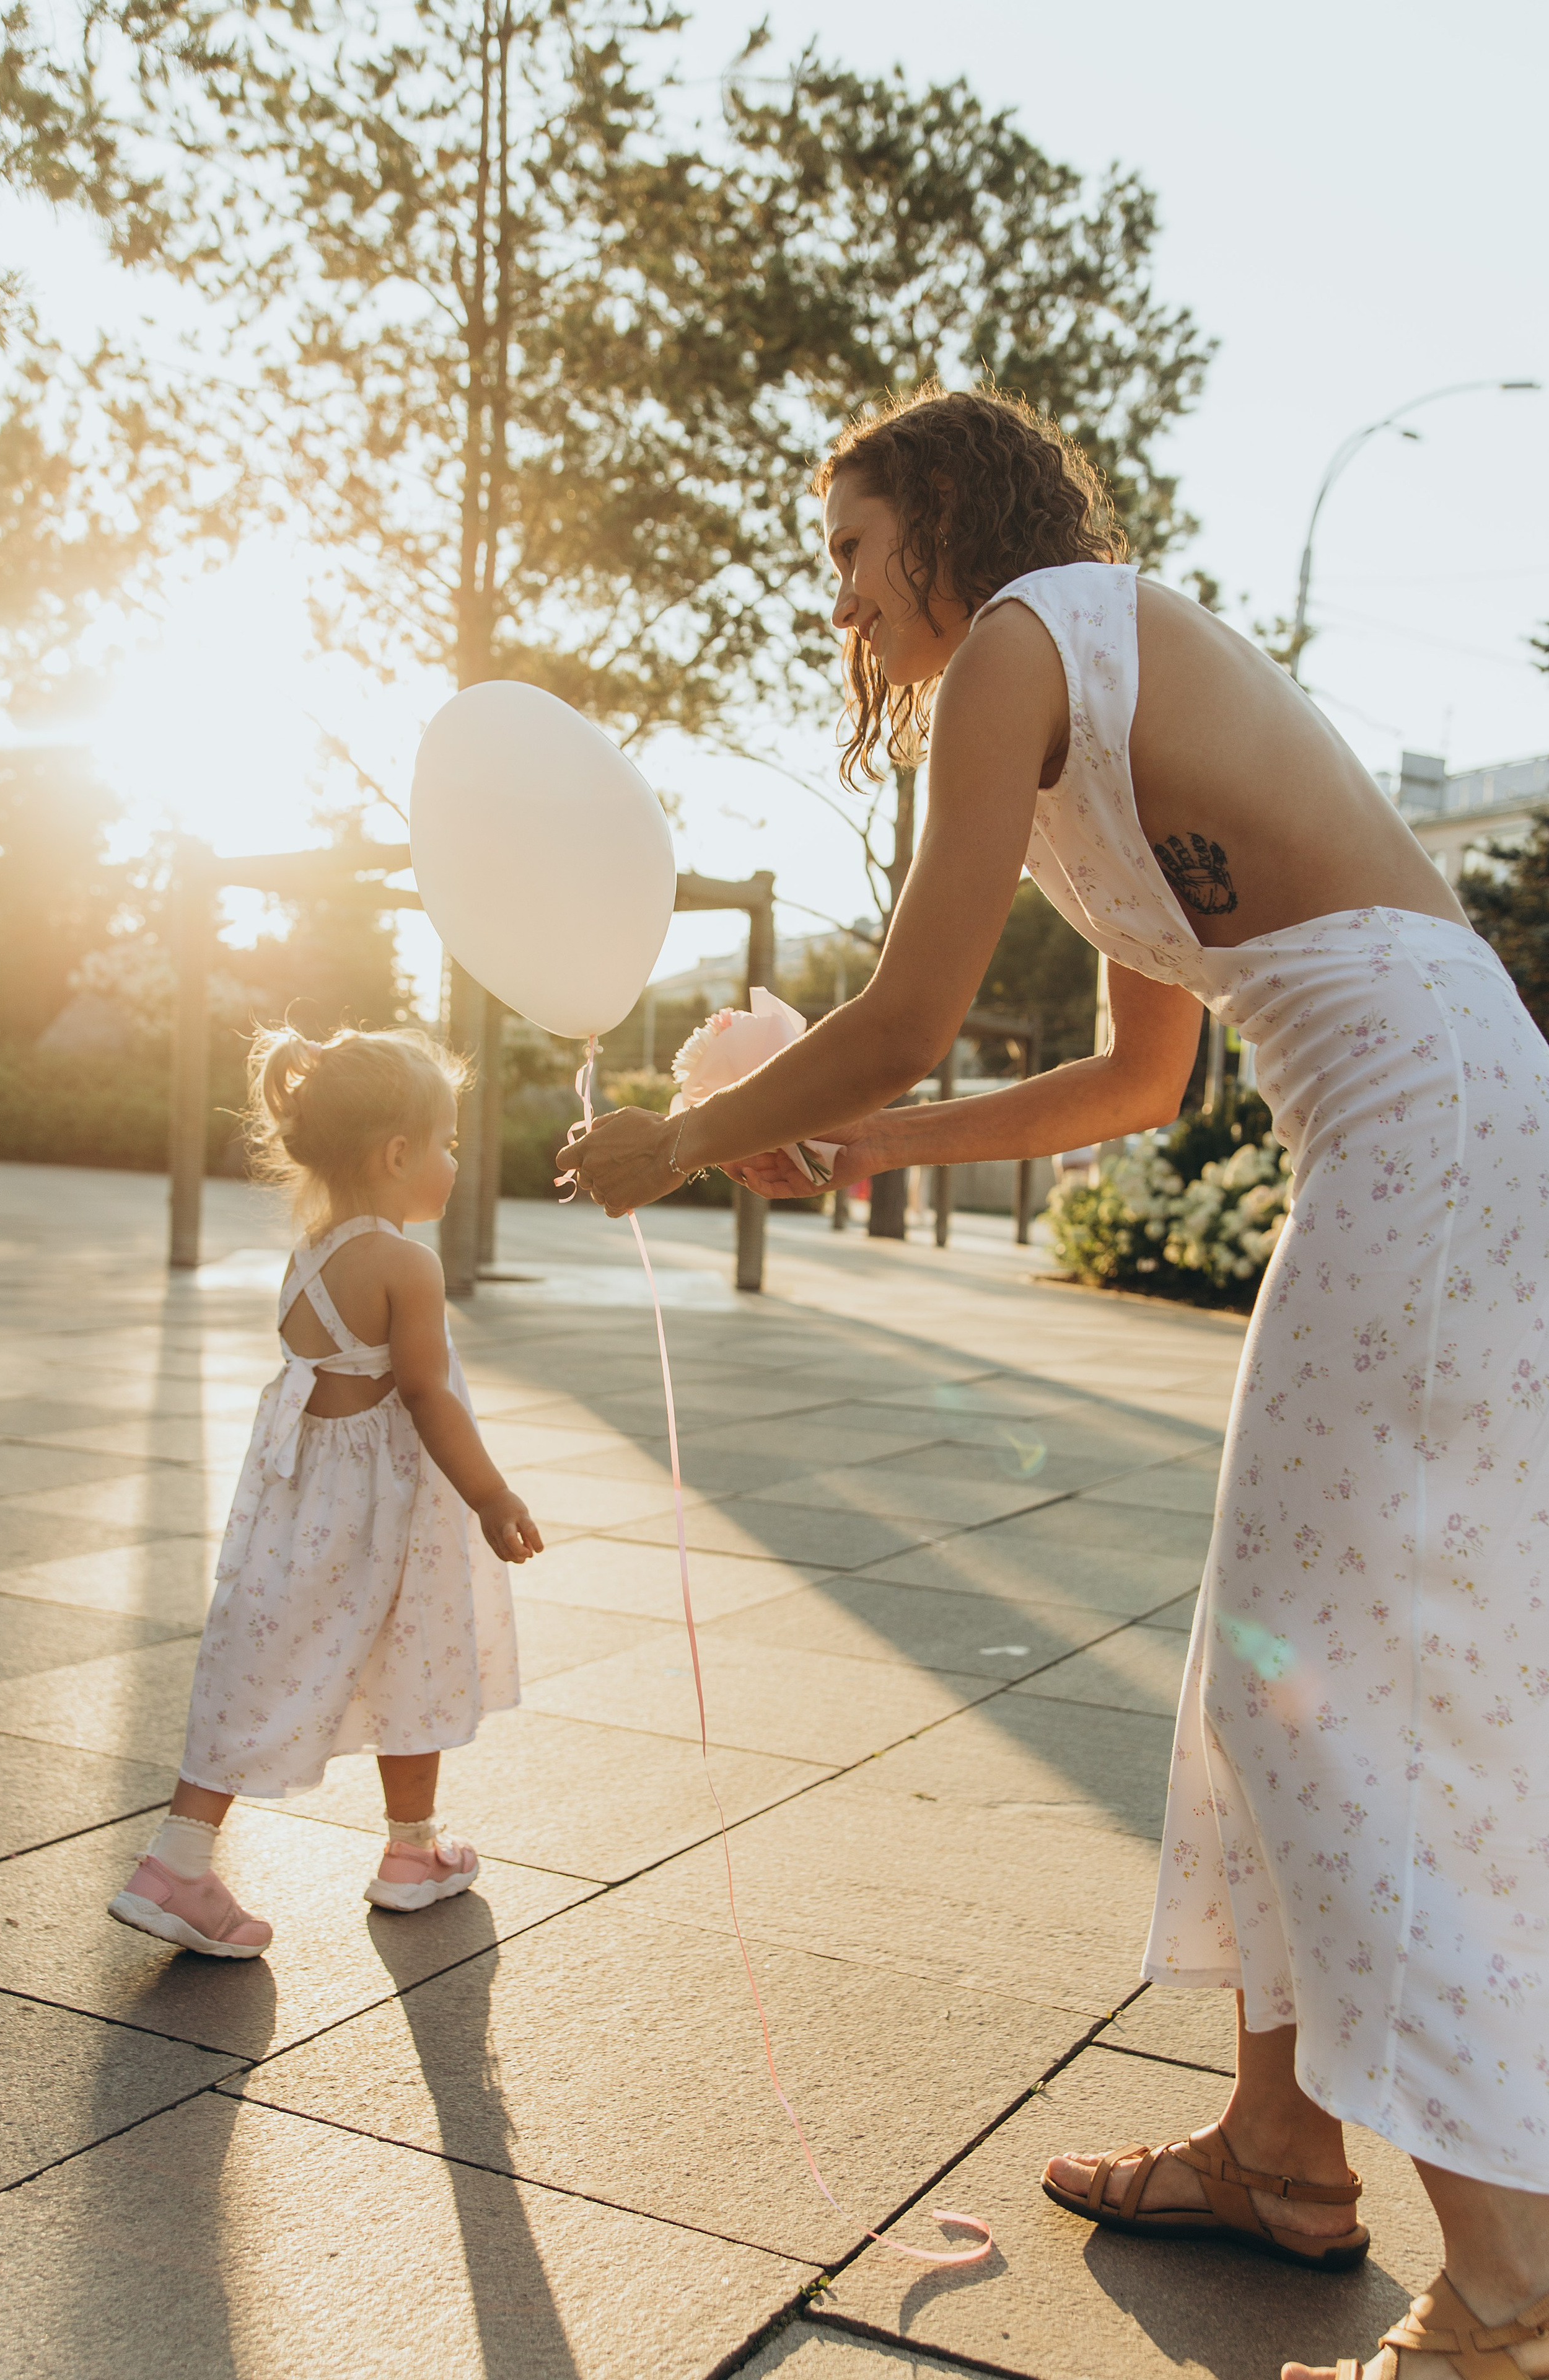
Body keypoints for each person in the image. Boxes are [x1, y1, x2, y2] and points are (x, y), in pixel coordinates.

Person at [558, 385, 1549, 2380]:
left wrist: (678, 1143)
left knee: (1345, 1686)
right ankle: (1279, 2155)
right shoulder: (1079, 677)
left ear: (942, 516)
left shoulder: (1028, 639)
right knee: (1277, 1657)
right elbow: (1130, 1085)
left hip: (1432, 1134)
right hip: (1425, 1129)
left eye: (849, 546)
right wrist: (842, 1148)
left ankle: (1511, 2294)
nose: (835, 596)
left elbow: (910, 1010)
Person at [107, 1026, 542, 1960]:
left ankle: (199, 1854)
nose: (454, 1159)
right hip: (389, 1507)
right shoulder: (406, 1264)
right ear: (397, 1155)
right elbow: (426, 1396)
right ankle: (402, 1853)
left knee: (253, 1662)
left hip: (301, 1502)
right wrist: (492, 1494)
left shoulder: (310, 1251)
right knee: (415, 1653)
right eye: (447, 1142)